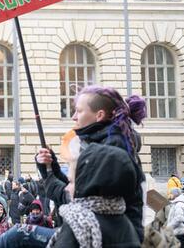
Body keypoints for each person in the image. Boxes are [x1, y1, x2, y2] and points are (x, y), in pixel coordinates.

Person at [35, 85, 147, 242]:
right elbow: (76, 185)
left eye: (79, 111)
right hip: (98, 232)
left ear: (99, 115)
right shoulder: (102, 141)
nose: (74, 117)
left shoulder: (110, 148)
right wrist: (50, 166)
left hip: (107, 238)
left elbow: (81, 199)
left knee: (20, 235)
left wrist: (49, 178)